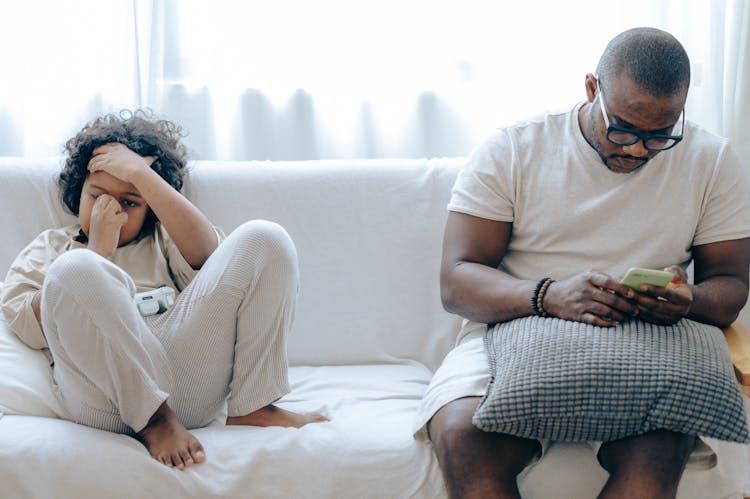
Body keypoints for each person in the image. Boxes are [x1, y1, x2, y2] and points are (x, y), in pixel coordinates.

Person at [413, 27, 750, 498]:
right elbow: (456, 281)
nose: (636, 149)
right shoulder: (514, 146)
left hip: (649, 344)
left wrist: (689, 299)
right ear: (592, 88)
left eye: (659, 136)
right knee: (462, 437)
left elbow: (731, 283)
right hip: (513, 329)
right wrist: (549, 295)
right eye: (624, 128)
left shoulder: (711, 160)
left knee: (660, 451)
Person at [0, 110, 326, 470]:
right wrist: (98, 251)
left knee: (266, 237)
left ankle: (254, 405)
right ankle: (154, 419)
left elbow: (211, 259)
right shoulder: (52, 246)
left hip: (182, 381)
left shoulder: (164, 239)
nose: (111, 209)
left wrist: (141, 174)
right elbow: (25, 323)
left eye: (130, 202)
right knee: (75, 268)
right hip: (101, 398)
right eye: (97, 196)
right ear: (79, 192)